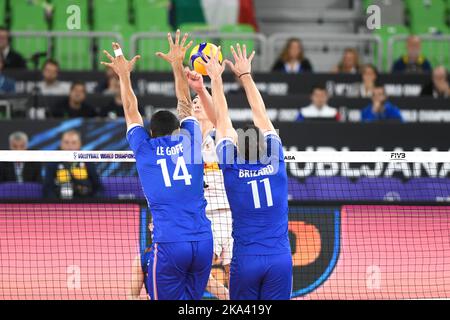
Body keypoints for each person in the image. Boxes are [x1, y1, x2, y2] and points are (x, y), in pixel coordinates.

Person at [101, 31, 213, 300]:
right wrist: (177, 64)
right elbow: (184, 104)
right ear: (179, 129)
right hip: (203, 242)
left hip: (170, 244)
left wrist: (124, 74)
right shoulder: (191, 140)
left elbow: (130, 110)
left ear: (151, 134)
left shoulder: (144, 147)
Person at [201, 44, 292, 300]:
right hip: (279, 260)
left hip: (246, 260)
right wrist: (245, 76)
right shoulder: (275, 161)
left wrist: (216, 79)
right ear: (265, 145)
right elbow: (261, 116)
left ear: (237, 147)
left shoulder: (231, 165)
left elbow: (222, 121)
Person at [185, 69, 233, 300]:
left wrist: (212, 82)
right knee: (198, 269)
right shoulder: (184, 139)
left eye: (201, 100)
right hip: (201, 216)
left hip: (228, 213)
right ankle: (228, 298)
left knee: (233, 270)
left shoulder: (222, 138)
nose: (196, 102)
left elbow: (221, 115)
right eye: (194, 100)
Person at [43, 130, 102, 199]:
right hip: (59, 203)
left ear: (80, 144)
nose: (70, 146)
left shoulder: (87, 161)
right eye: (66, 142)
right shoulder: (53, 161)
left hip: (84, 203)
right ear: (61, 144)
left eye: (74, 143)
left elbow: (98, 187)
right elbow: (47, 188)